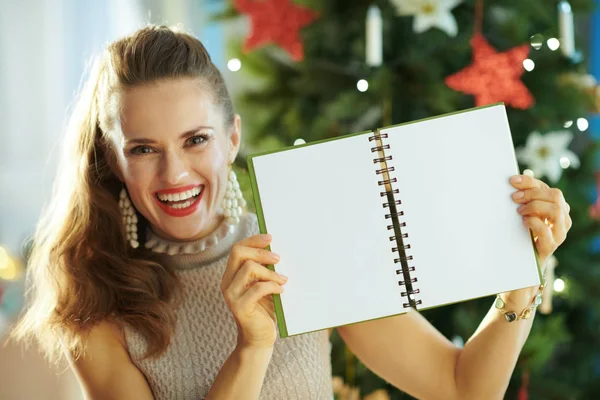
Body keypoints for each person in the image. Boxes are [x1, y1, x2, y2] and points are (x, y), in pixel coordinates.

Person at [10, 25, 572, 400]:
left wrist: (519, 281)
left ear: (232, 138)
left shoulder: (303, 245)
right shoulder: (94, 297)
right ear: (113, 157)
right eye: (143, 148)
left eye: (195, 139)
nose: (175, 174)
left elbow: (461, 388)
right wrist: (252, 346)